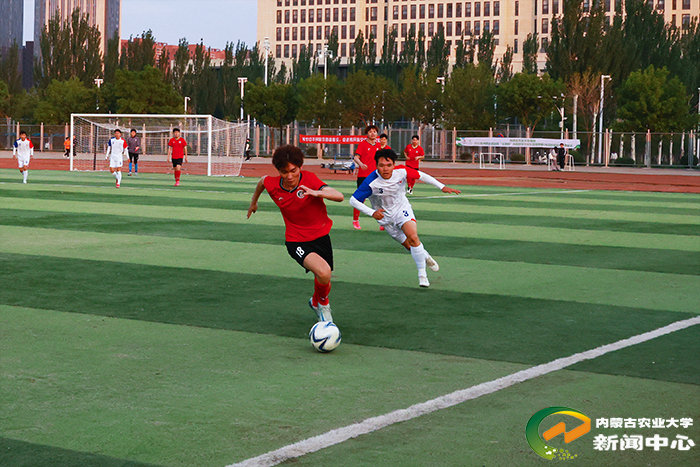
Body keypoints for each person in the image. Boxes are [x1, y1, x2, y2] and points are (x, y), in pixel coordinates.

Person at [247, 145, 344, 322]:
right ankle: (323, 306)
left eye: (294, 170)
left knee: (324, 278)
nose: (290, 176)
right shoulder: (273, 184)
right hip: (296, 240)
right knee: (323, 272)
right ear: (278, 171)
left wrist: (317, 193)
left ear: (300, 167)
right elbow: (262, 182)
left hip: (321, 236)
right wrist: (254, 202)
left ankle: (315, 301)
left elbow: (339, 196)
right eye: (284, 172)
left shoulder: (309, 179)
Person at [349, 148, 461, 288]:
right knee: (410, 246)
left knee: (413, 237)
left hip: (402, 210)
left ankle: (422, 276)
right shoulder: (371, 182)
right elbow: (353, 200)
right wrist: (372, 213)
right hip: (385, 218)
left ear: (394, 164)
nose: (385, 169)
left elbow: (421, 175)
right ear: (376, 165)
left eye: (389, 165)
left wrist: (442, 186)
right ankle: (425, 256)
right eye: (381, 165)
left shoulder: (402, 171)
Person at [352, 125, 380, 230]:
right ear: (367, 133)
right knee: (360, 199)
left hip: (376, 176)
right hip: (363, 176)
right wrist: (361, 164)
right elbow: (356, 157)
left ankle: (382, 222)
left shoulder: (378, 146)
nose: (372, 133)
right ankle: (355, 220)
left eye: (374, 131)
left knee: (379, 199)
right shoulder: (363, 144)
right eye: (370, 131)